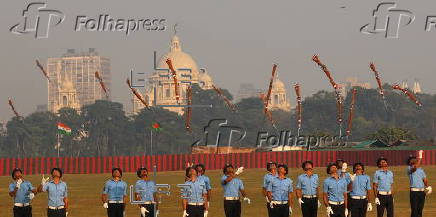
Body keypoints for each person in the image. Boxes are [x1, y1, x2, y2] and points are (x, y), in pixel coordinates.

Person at [407, 150, 432, 217]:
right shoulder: (409, 168)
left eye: (414, 159)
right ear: (409, 162)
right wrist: (420, 157)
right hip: (414, 192)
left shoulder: (421, 170)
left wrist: (428, 186)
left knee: (420, 210)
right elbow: (415, 167)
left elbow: (424, 179)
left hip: (422, 192)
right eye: (412, 160)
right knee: (414, 210)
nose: (414, 160)